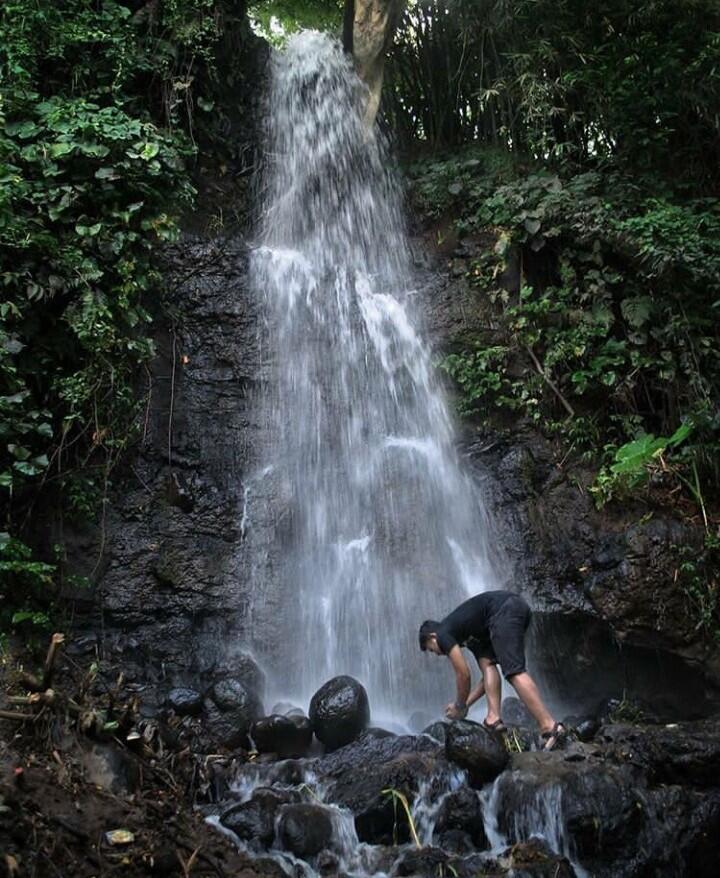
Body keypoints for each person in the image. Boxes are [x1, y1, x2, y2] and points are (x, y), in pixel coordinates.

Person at [418, 590, 565, 750]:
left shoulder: (443, 633)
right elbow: (485, 680)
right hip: (511, 610)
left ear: (432, 637)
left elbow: (463, 674)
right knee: (489, 665)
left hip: (504, 610)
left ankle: (550, 727)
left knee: (514, 672)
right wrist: (466, 704)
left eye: (431, 649)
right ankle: (493, 718)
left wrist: (458, 706)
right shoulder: (470, 636)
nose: (437, 654)